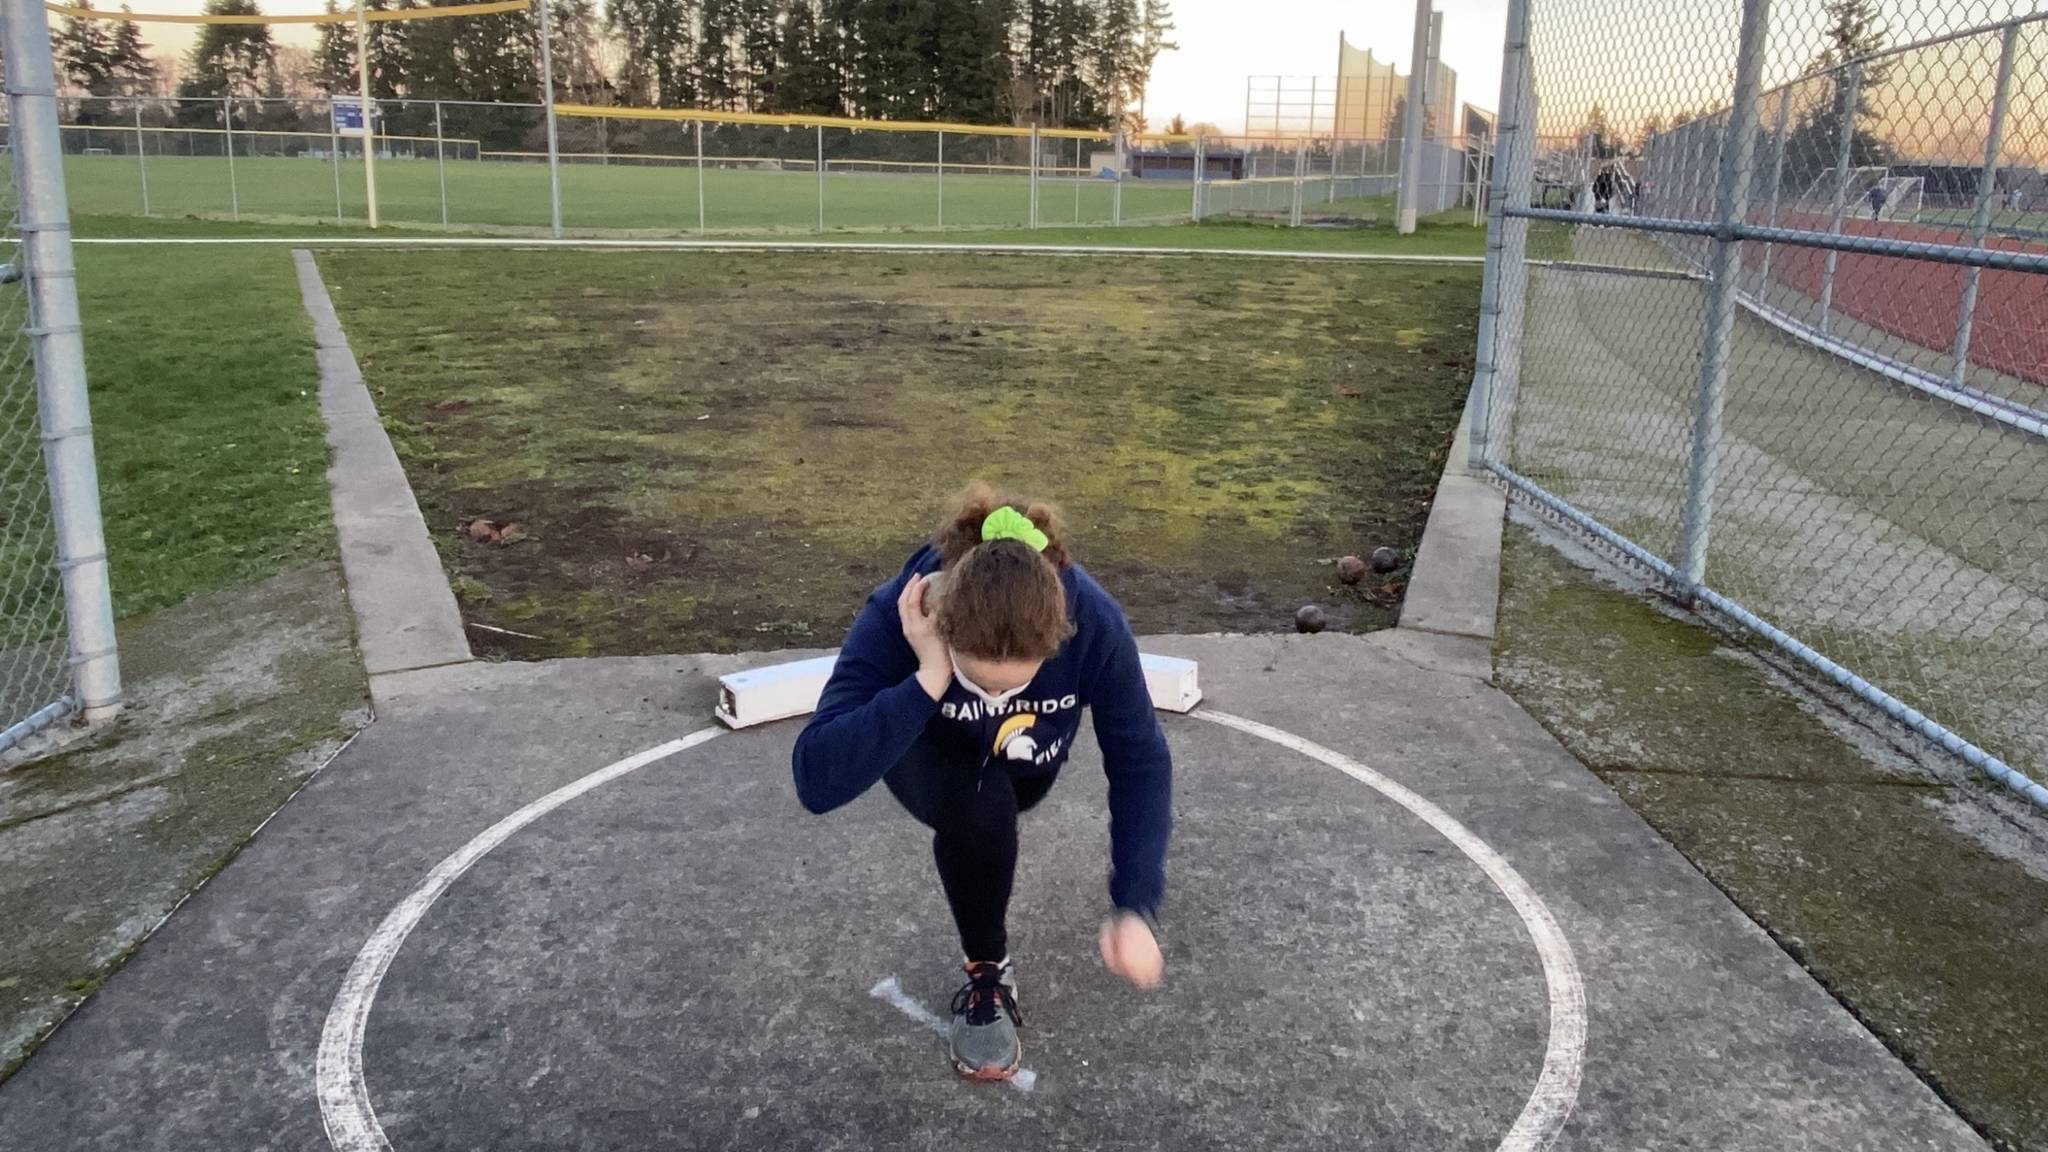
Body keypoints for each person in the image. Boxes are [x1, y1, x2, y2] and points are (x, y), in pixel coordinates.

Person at [791, 484, 1173, 1083]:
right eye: (981, 683)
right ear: (941, 626)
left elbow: (1141, 759)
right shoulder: (907, 608)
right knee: (978, 803)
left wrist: (1135, 901)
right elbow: (816, 778)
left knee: (998, 794)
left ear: (1056, 640)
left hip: (1028, 766)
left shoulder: (1093, 621)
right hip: (932, 765)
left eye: (1012, 688)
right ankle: (986, 968)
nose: (996, 699)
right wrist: (928, 677)